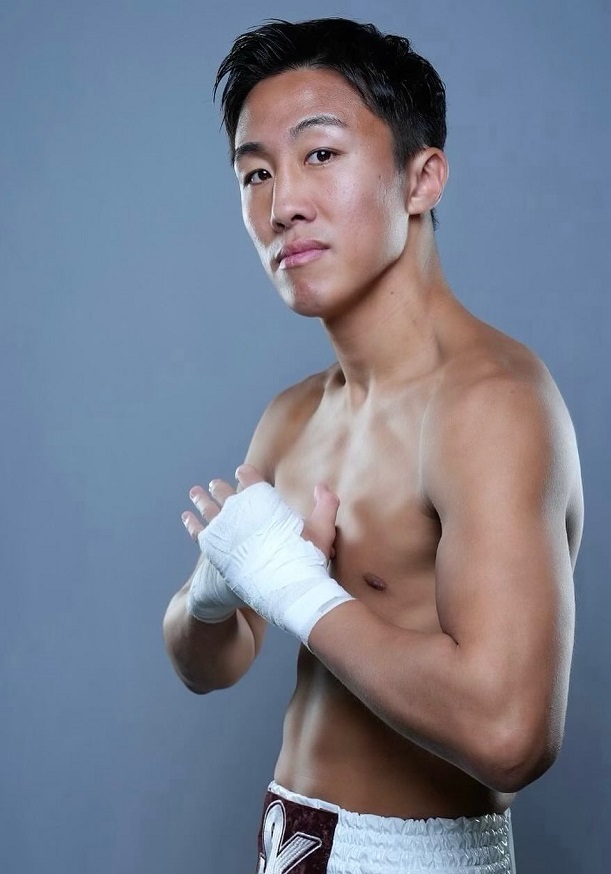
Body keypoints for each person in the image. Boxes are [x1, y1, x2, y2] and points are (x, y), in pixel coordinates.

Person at [162, 17, 584, 873]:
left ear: (421, 179)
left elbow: (511, 737)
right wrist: (212, 594)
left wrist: (293, 587)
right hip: (288, 844)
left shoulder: (490, 404)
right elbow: (210, 663)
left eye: (320, 154)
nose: (282, 205)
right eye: (255, 173)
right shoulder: (293, 415)